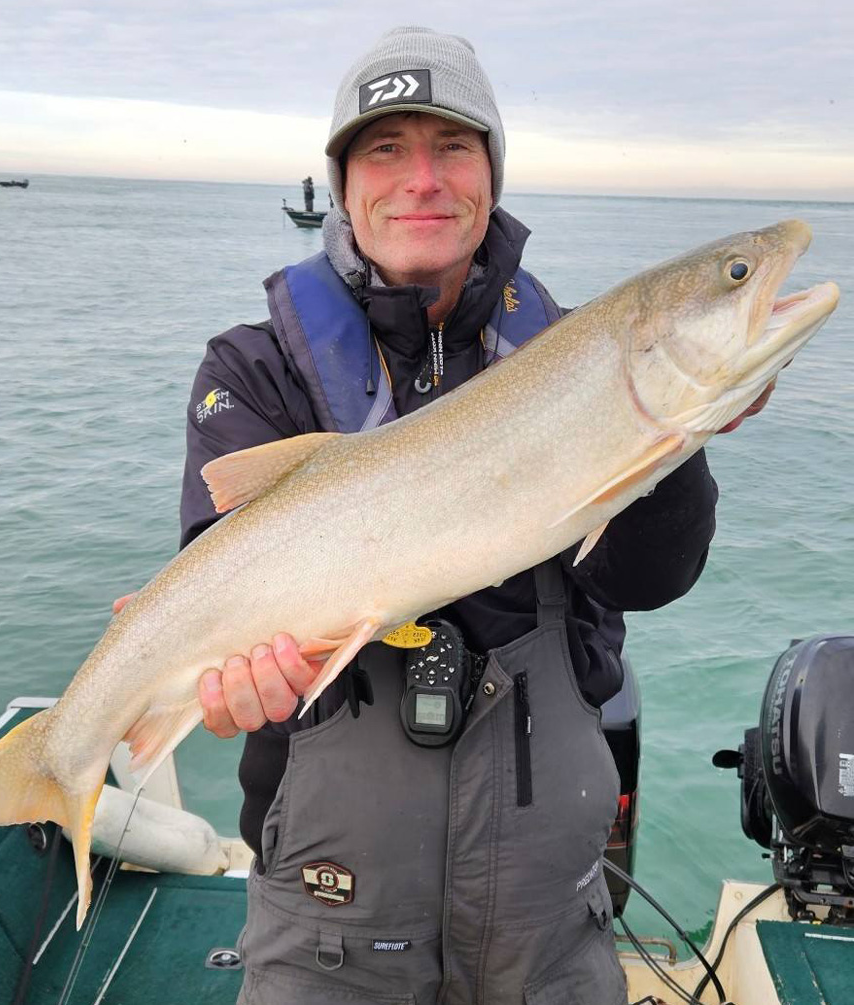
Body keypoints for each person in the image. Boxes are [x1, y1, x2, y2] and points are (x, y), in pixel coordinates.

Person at [137, 25, 777, 1005]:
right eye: (385, 149)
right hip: (325, 907)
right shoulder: (255, 369)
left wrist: (676, 431)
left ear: (492, 173)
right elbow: (217, 576)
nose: (422, 179)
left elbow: (647, 580)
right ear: (344, 183)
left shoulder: (574, 354)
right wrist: (228, 679)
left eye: (453, 147)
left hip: (545, 907)